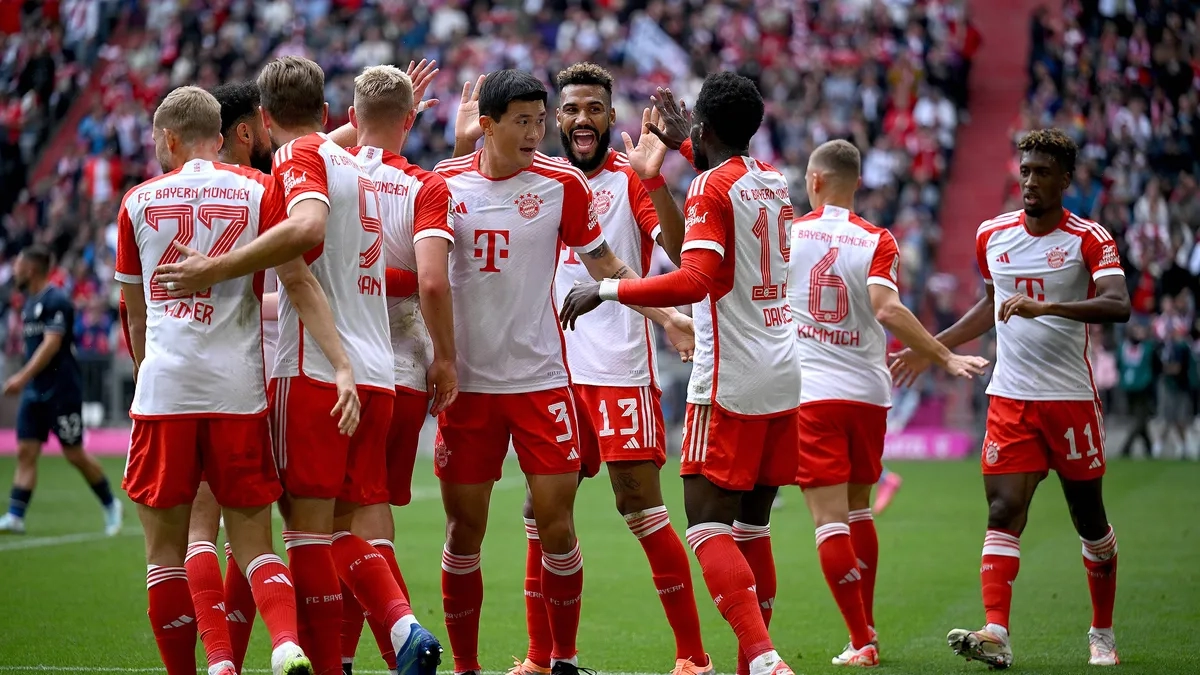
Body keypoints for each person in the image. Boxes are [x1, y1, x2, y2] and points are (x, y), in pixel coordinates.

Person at [153, 57, 442, 675]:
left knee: (273, 532)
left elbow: (300, 250)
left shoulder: (271, 175)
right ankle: (400, 625)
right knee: (337, 528)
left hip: (289, 369)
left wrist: (212, 270)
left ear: (258, 124)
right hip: (376, 369)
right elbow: (326, 150)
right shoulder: (353, 161)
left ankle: (252, 659)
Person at [450, 63, 706, 675]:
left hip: (617, 364)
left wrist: (669, 317)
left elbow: (673, 254)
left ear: (611, 117)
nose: (581, 120)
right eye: (570, 110)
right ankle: (545, 659)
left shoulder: (627, 181)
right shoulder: (538, 177)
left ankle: (693, 657)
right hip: (553, 373)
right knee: (542, 515)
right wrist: (464, 145)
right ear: (554, 119)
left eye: (594, 108)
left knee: (640, 507)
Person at [560, 71, 800, 675]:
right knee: (752, 524)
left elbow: (697, 278)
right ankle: (754, 662)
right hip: (781, 369)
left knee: (704, 524)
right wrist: (676, 149)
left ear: (705, 127)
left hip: (731, 375)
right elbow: (717, 180)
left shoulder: (710, 189)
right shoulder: (772, 180)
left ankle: (764, 659)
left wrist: (607, 289)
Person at [891, 129, 1131, 668]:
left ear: (1065, 179)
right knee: (1003, 509)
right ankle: (996, 631)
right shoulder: (992, 235)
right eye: (1024, 171)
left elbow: (1118, 304)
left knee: (1089, 521)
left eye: (1042, 172)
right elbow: (991, 306)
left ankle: (1103, 632)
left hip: (1069, 399)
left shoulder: (1089, 238)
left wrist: (1049, 310)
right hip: (1011, 398)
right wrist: (932, 349)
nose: (1030, 181)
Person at [115, 85, 327, 675]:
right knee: (255, 541)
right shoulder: (261, 189)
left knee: (167, 555)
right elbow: (295, 275)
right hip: (237, 387)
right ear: (225, 132)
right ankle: (285, 643)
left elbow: (133, 313)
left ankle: (209, 668)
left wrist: (146, 374)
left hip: (166, 388)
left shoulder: (136, 200)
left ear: (169, 138)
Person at [787, 139, 988, 667]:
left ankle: (861, 641)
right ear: (856, 184)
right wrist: (942, 356)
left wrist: (942, 355)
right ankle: (867, 623)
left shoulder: (790, 235)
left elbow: (886, 308)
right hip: (870, 396)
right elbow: (888, 309)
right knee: (858, 509)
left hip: (812, 394)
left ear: (814, 181)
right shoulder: (878, 239)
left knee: (827, 520)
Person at [338, 64, 459, 675]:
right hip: (406, 365)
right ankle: (391, 648)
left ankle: (359, 651)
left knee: (326, 518)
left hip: (334, 365)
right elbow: (433, 281)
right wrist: (447, 357)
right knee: (373, 510)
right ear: (412, 121)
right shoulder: (425, 185)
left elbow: (303, 145)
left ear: (351, 117)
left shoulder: (323, 168)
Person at [0, 244, 121, 536]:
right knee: (27, 451)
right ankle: (16, 515)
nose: (14, 271)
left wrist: (21, 377)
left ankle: (110, 503)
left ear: (30, 269)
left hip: (61, 391)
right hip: (36, 393)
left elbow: (51, 344)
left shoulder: (57, 300)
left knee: (74, 454)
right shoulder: (29, 303)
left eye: (17, 266)